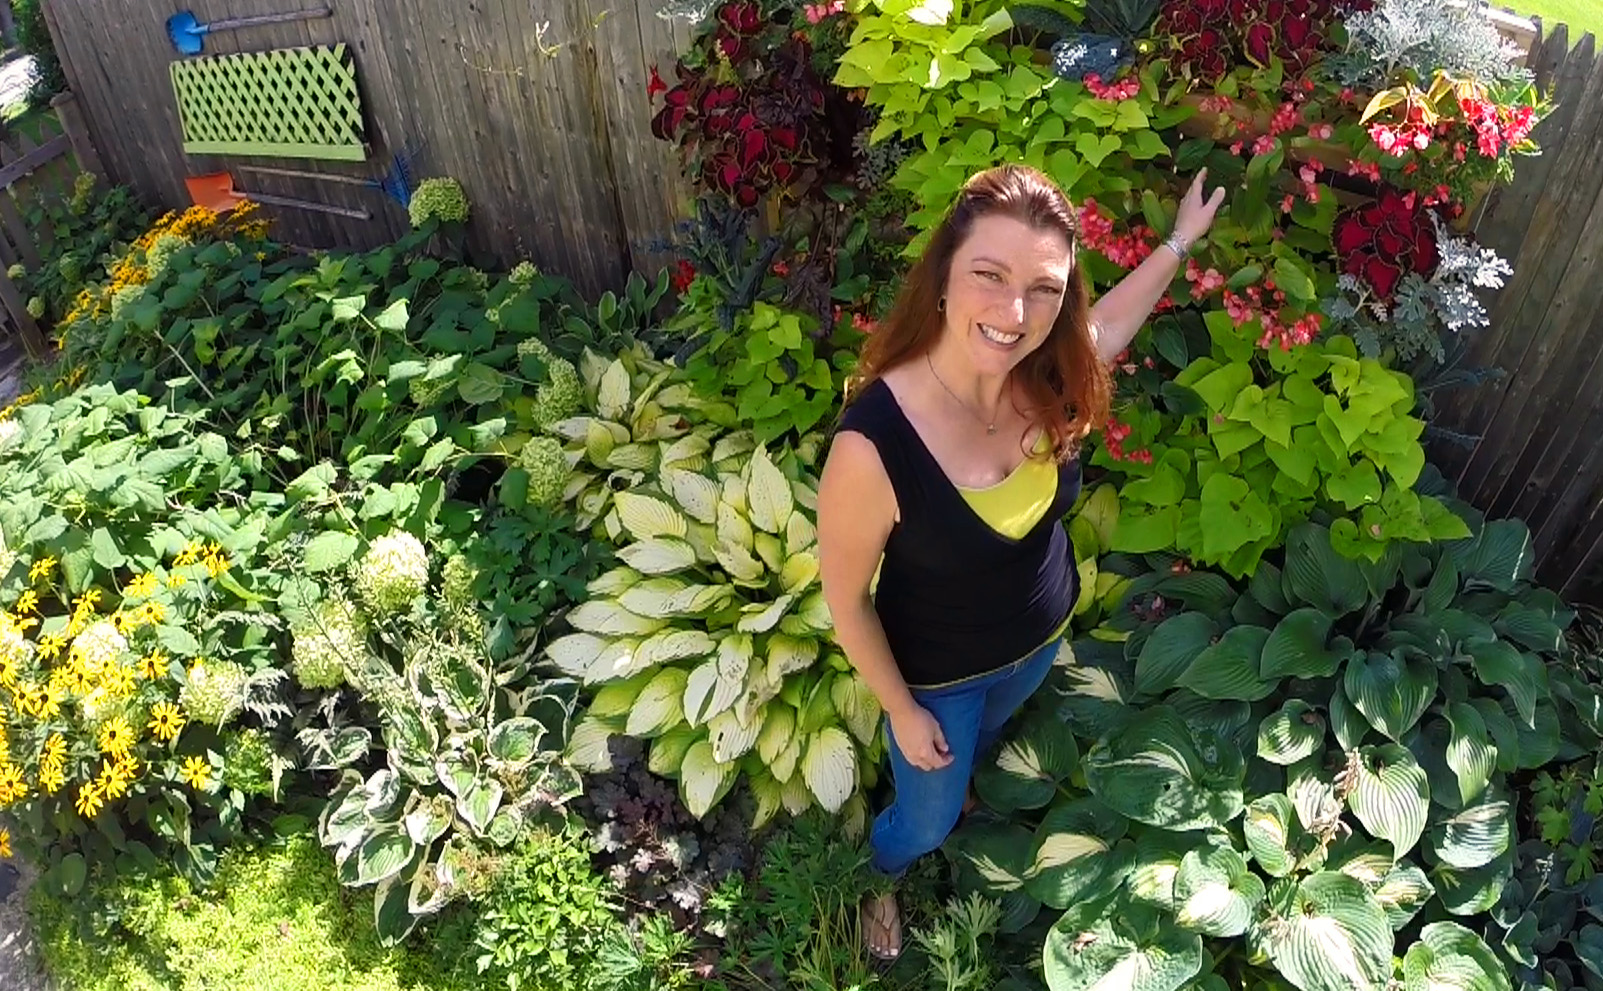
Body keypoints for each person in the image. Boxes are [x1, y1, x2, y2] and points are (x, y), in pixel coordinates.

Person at [815, 163, 1225, 960]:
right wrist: (900, 709)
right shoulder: (874, 445)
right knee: (928, 818)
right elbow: (846, 599)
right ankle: (881, 865)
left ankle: (960, 773)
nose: (1014, 313)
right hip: (936, 677)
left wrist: (1177, 242)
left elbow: (1108, 326)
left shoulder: (1045, 375)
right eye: (989, 276)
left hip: (1034, 643)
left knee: (990, 737)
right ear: (942, 275)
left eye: (1044, 288)